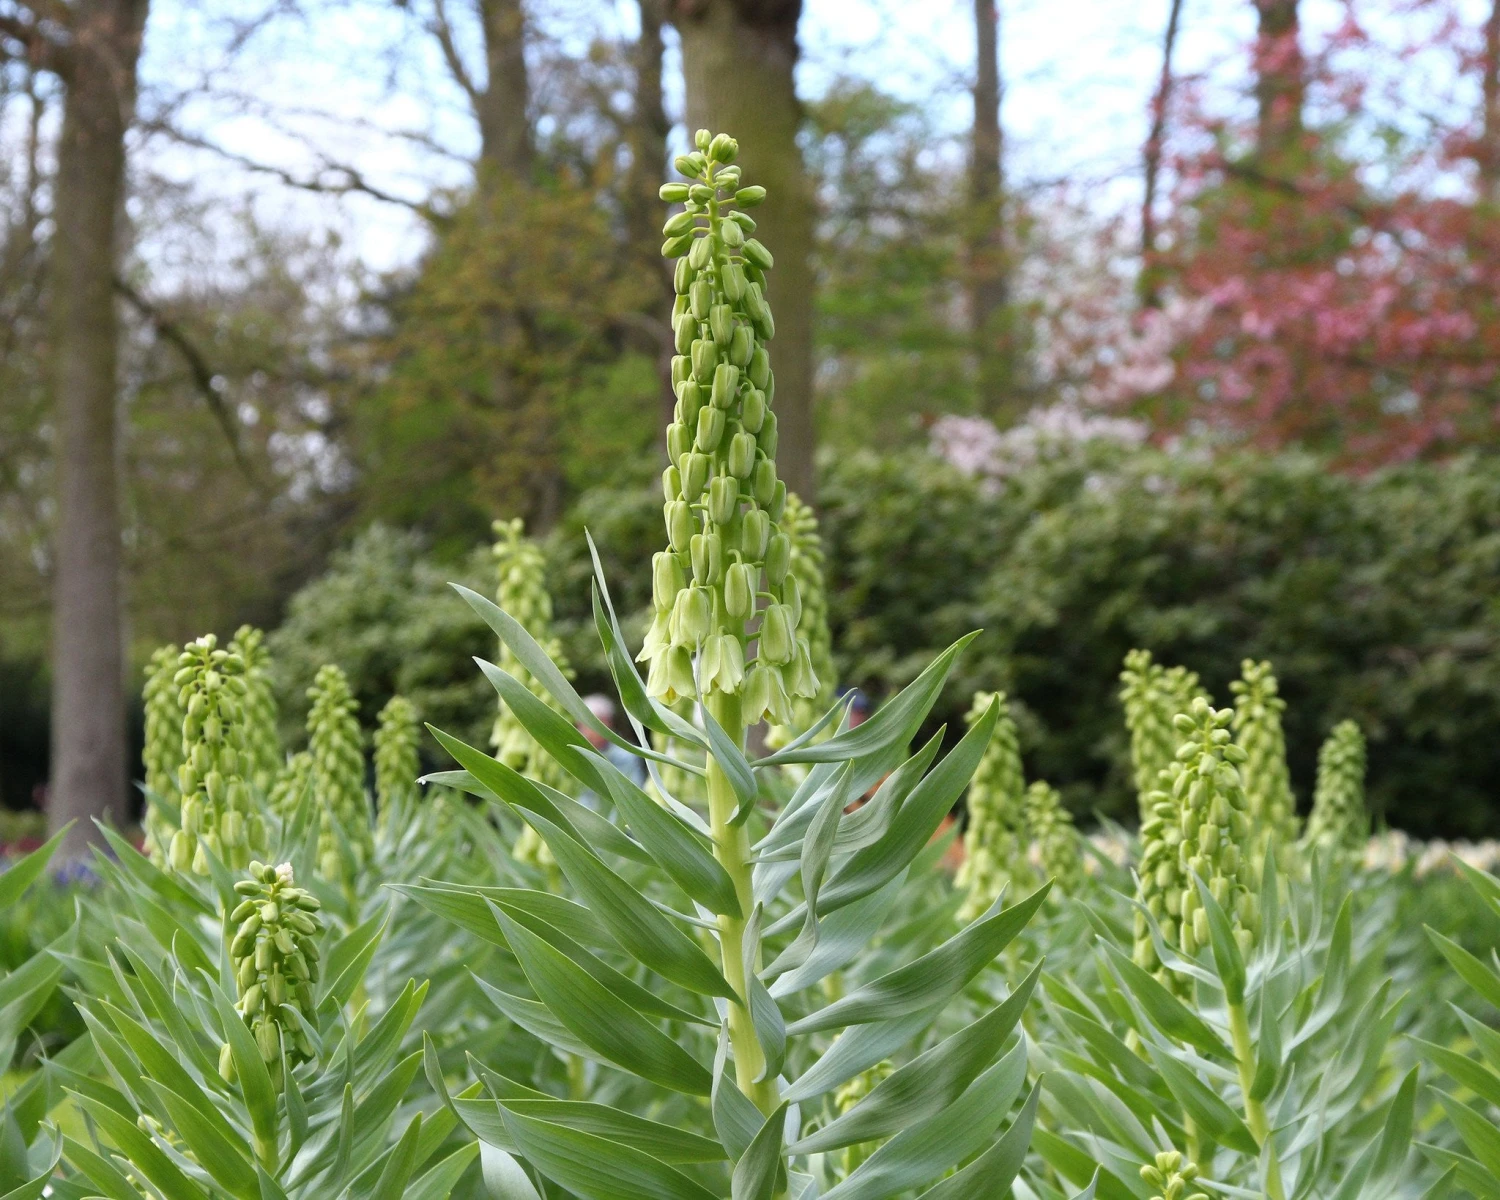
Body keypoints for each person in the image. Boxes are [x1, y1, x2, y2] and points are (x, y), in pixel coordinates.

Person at [577, 694, 646, 812]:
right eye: (580, 724)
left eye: (587, 724)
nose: (583, 730)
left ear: (606, 724)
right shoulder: (575, 752)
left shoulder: (625, 755)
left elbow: (634, 796)